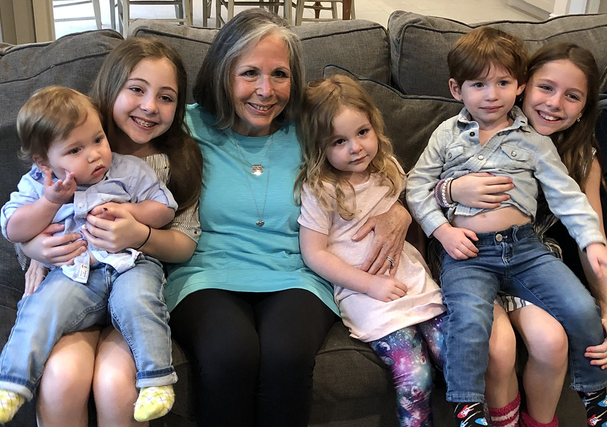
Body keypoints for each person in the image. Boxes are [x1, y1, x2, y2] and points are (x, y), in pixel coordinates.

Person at [162, 9, 409, 427]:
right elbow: (102, 160)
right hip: (206, 273)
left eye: (279, 74)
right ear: (223, 73)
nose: (265, 90)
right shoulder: (186, 125)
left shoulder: (311, 126)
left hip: (297, 273)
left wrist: (398, 209)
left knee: (287, 355)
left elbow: (378, 163)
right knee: (229, 353)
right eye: (249, 73)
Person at [405, 27, 607, 427]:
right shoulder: (448, 133)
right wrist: (443, 222)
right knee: (474, 324)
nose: (492, 94)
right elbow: (416, 184)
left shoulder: (540, 143)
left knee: (579, 311)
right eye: (479, 84)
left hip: (527, 249)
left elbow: (571, 200)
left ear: (516, 86)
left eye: (502, 83)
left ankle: (595, 393)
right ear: (456, 89)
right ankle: (468, 406)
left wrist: (594, 241)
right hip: (467, 250)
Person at [17, 38, 203, 427]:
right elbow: (25, 216)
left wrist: (138, 234)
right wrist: (34, 249)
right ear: (110, 88)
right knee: (62, 379)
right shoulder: (62, 142)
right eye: (136, 89)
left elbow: (185, 242)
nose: (150, 106)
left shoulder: (175, 162)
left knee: (117, 384)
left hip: (134, 290)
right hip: (73, 286)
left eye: (166, 97)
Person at [0, 86, 179, 424]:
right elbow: (13, 228)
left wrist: (133, 214)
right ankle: (11, 385)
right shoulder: (37, 186)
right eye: (75, 150)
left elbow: (165, 208)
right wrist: (50, 202)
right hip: (75, 272)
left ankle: (157, 381)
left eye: (98, 140)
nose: (94, 156)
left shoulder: (128, 170)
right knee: (41, 308)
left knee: (139, 303)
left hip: (130, 264)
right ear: (44, 161)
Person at [296, 74, 446, 427]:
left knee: (457, 355)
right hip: (366, 294)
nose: (356, 148)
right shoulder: (321, 189)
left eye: (363, 132)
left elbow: (412, 214)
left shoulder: (389, 168)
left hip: (413, 281)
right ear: (319, 147)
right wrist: (369, 285)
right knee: (415, 377)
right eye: (339, 141)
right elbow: (314, 253)